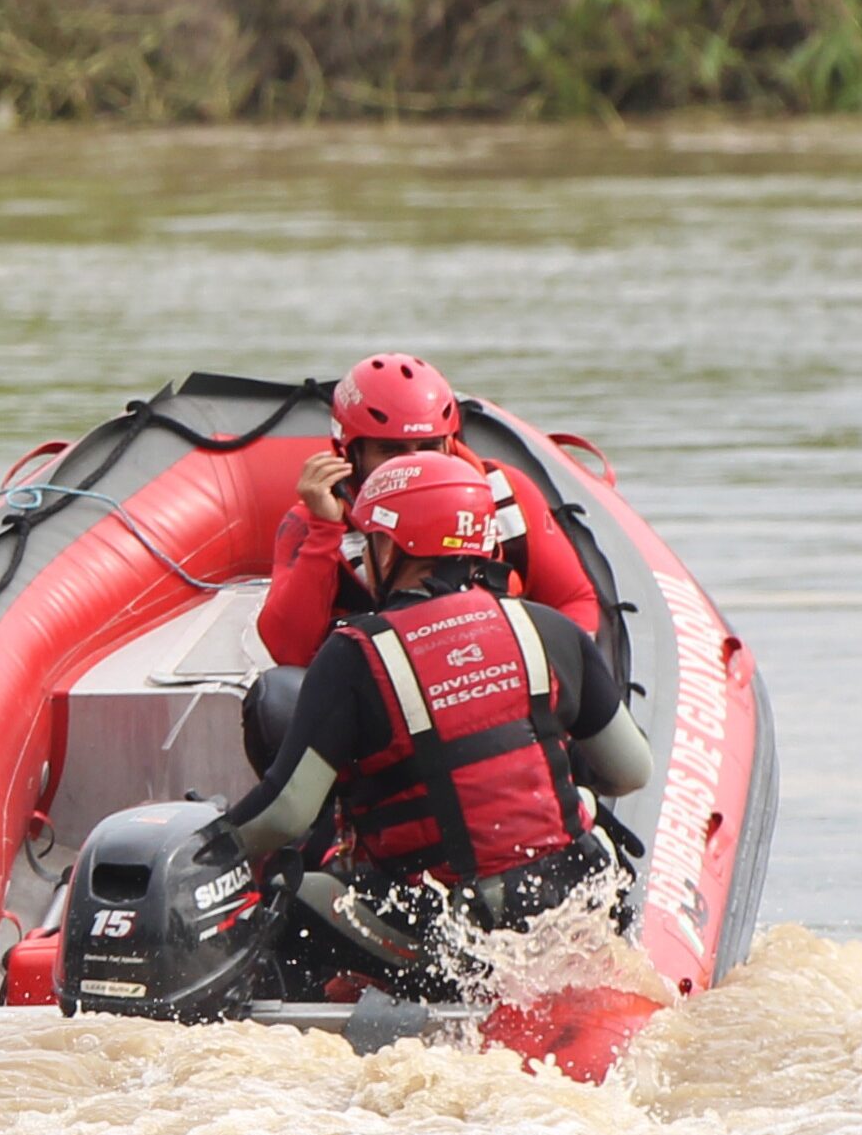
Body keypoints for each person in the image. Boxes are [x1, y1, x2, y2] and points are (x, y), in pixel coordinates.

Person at [214, 454, 659, 959]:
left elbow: (286, 815)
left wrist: (210, 845)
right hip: (572, 908)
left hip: (451, 939)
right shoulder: (550, 628)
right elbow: (630, 771)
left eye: (371, 540)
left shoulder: (354, 654)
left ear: (392, 547)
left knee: (293, 892)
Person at [255, 352, 605, 671]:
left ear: (450, 442)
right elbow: (290, 652)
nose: (415, 462)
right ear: (349, 454)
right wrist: (323, 531)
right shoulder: (314, 522)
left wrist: (556, 677)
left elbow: (574, 600)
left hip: (498, 679)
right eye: (390, 450)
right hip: (380, 697)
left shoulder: (504, 492)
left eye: (428, 447)